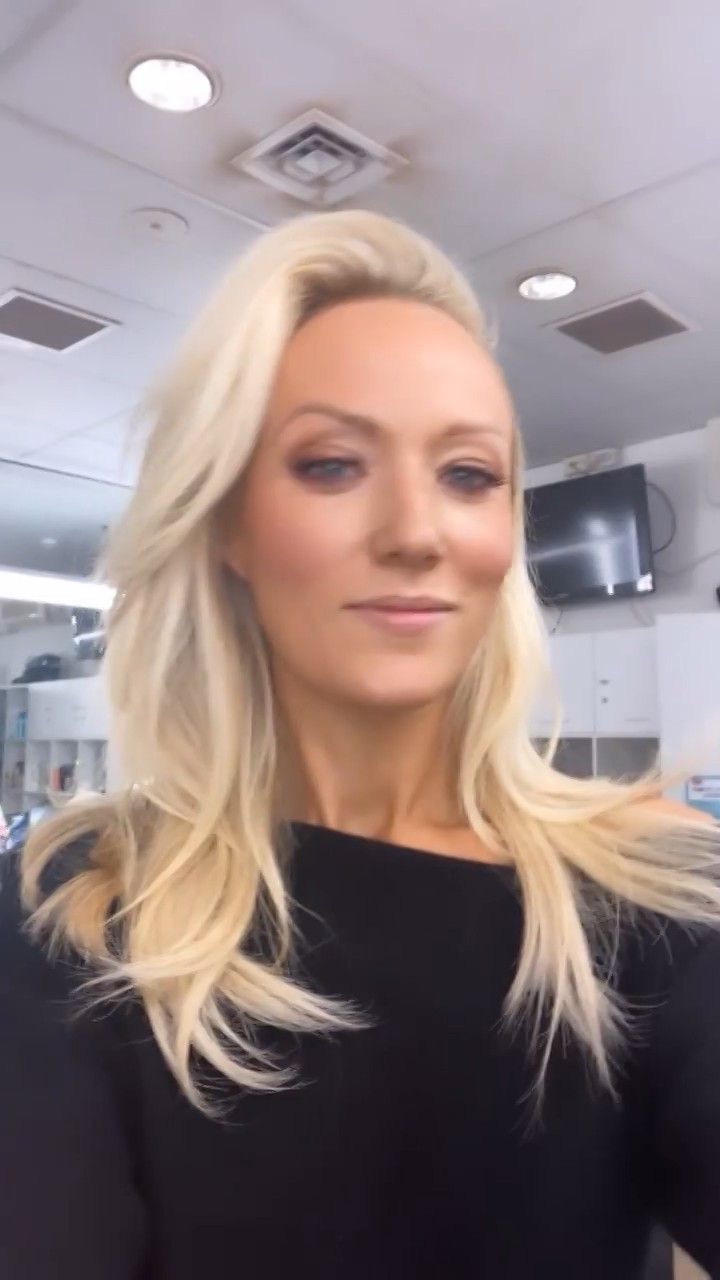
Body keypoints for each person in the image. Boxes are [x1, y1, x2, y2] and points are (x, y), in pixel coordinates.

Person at [0, 210, 718, 1280]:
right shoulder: (81, 910)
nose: (417, 532)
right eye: (332, 464)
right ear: (228, 523)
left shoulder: (644, 894)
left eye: (469, 475)